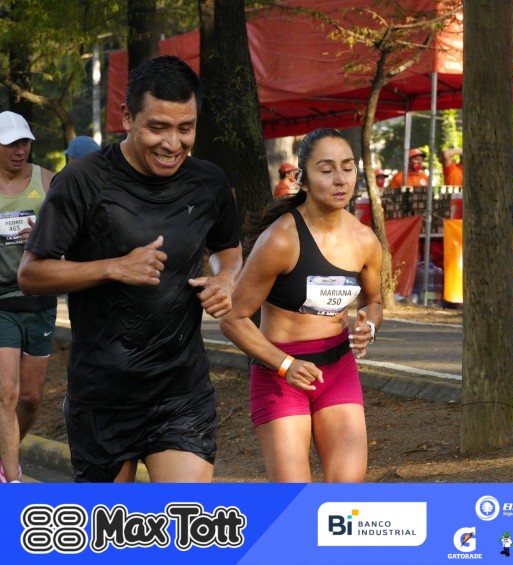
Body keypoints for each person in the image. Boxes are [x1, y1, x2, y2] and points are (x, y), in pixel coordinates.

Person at [17, 55, 243, 483]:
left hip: (181, 391)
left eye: (185, 128)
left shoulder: (208, 182)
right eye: (157, 127)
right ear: (127, 117)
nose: (172, 144)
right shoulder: (83, 180)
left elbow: (228, 248)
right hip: (103, 396)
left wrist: (225, 278)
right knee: (115, 525)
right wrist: (113, 267)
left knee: (184, 516)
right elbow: (31, 274)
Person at [219, 127, 382, 483]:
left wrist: (368, 326)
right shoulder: (280, 239)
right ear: (302, 179)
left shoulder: (365, 240)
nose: (340, 179)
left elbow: (373, 301)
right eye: (326, 170)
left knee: (346, 492)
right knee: (295, 498)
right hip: (280, 373)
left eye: (348, 168)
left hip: (337, 369)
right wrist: (286, 365)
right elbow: (233, 318)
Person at [0, 112, 56, 483]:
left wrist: (44, 236)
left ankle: (6, 452)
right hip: (2, 301)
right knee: (7, 393)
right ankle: (12, 479)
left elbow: (71, 235)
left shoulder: (47, 181)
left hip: (39, 300)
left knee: (31, 398)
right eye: (11, 144)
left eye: (25, 142)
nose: (20, 150)